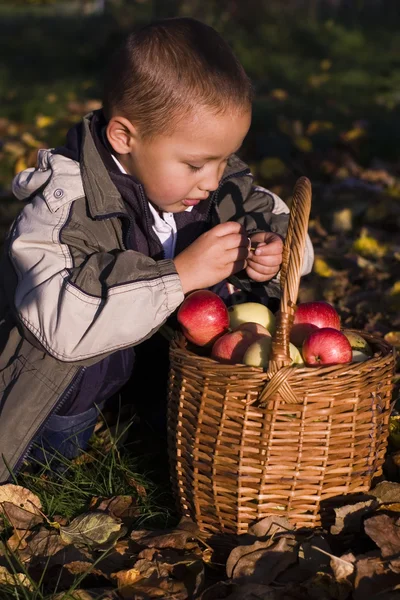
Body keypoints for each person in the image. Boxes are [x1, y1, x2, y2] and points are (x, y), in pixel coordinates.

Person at [0, 17, 313, 481]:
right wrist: (180, 276)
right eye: (196, 164)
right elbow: (62, 323)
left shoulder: (211, 180)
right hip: (55, 399)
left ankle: (162, 422)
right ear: (124, 138)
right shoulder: (65, 203)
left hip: (160, 374)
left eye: (225, 159)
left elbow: (280, 221)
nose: (211, 180)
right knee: (64, 421)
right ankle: (55, 461)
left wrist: (277, 253)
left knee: (235, 312)